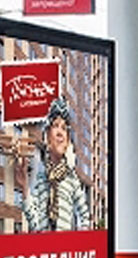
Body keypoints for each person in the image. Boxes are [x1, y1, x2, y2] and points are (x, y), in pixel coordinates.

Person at [15, 95, 91, 232]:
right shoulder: (41, 179)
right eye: (56, 126)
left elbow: (84, 215)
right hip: (45, 244)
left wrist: (80, 239)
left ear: (67, 141)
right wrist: (25, 187)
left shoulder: (71, 178)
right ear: (47, 136)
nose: (60, 133)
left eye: (64, 128)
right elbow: (35, 224)